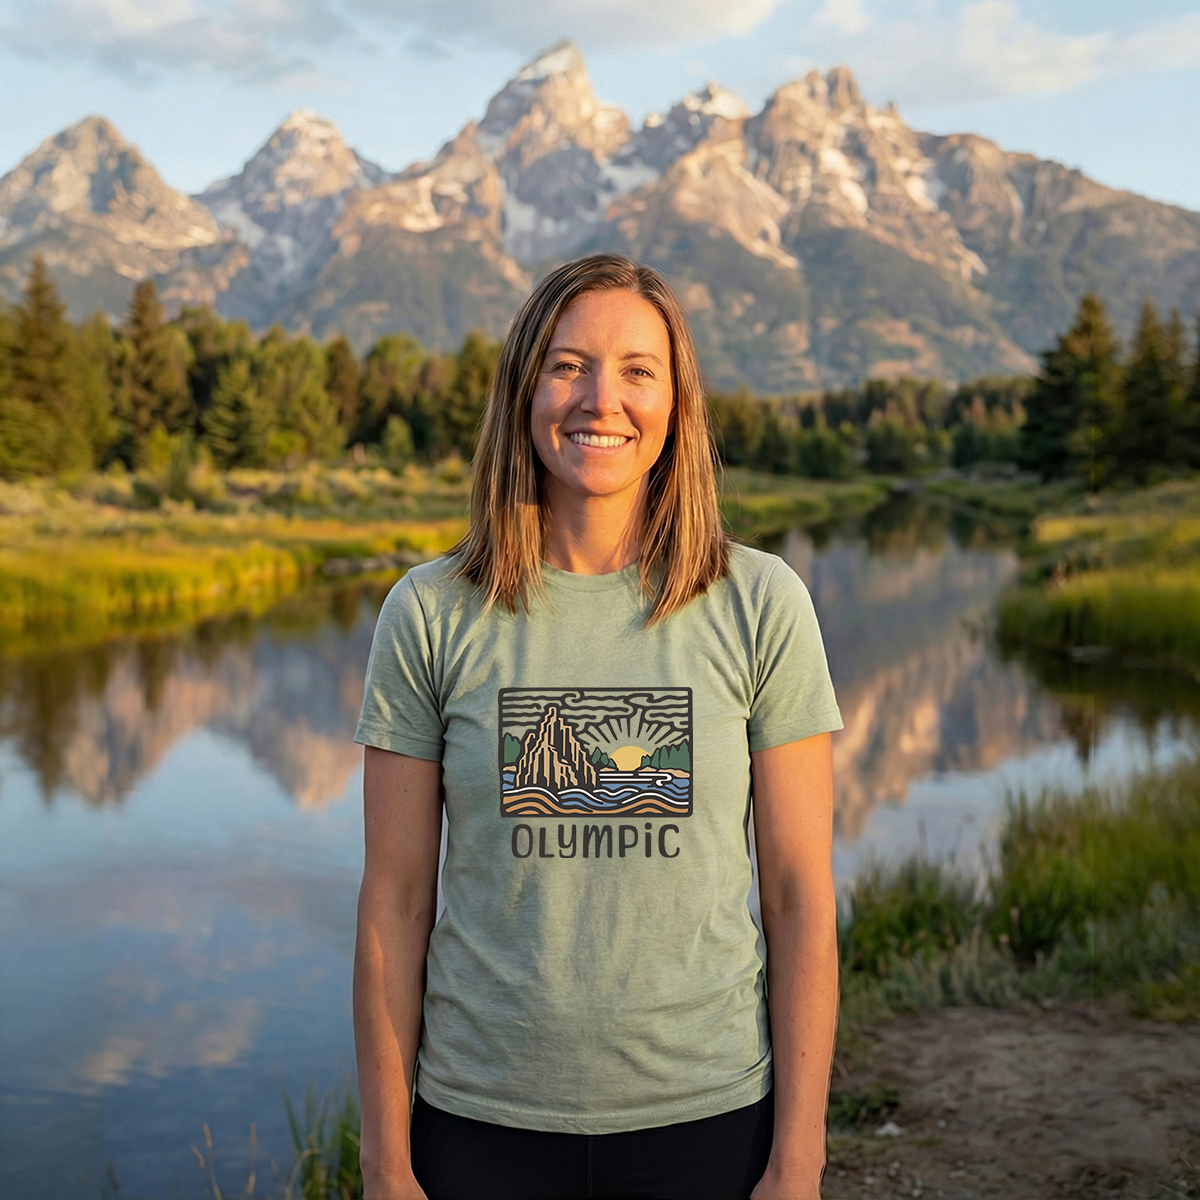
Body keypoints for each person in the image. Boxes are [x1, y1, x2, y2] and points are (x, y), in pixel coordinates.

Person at [353, 254, 842, 1200]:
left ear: (677, 402)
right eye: (568, 365)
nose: (600, 400)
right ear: (524, 390)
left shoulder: (761, 603)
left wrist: (799, 1159)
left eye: (637, 370)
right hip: (477, 1122)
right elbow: (395, 906)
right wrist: (385, 1164)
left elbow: (796, 898)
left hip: (707, 1118)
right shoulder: (428, 614)